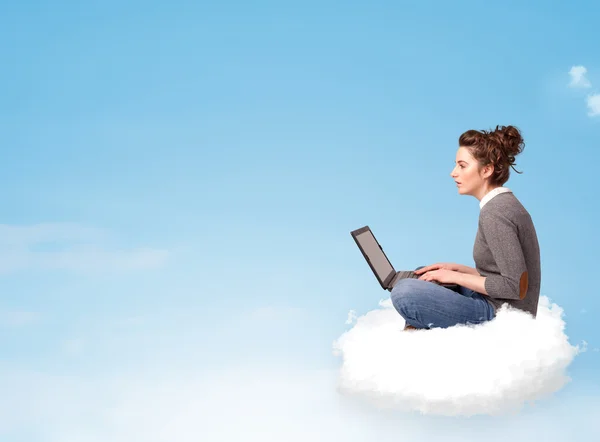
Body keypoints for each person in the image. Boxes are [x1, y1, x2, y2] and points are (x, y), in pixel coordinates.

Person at [390, 125, 541, 330]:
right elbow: (505, 275)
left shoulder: (496, 213)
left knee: (404, 291)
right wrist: (459, 269)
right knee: (422, 275)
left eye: (462, 165)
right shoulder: (501, 204)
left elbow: (514, 286)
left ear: (486, 170)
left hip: (501, 314)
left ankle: (414, 335)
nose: (453, 173)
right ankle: (416, 329)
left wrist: (454, 277)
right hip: (498, 301)